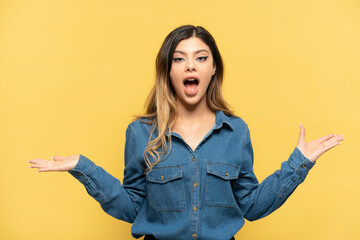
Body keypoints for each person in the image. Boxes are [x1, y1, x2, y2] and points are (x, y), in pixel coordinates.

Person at [28, 25, 344, 240]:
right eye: (179, 59)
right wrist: (84, 168)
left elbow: (251, 206)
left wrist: (298, 163)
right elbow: (132, 207)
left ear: (213, 68)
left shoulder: (236, 131)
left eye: (200, 58)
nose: (190, 66)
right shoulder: (141, 133)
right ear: (169, 70)